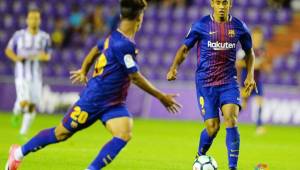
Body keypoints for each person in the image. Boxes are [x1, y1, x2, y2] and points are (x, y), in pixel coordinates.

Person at [5, 0, 181, 170]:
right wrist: (161, 96)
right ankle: (18, 153)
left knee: (124, 134)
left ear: (121, 15)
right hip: (93, 100)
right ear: (140, 18)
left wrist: (84, 69)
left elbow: (95, 50)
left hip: (113, 103)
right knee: (60, 134)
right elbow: (135, 77)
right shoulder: (124, 44)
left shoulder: (113, 36)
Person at [166, 0, 256, 169]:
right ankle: (200, 156)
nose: (222, 6)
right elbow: (184, 49)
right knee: (213, 127)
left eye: (225, 2)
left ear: (230, 4)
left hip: (229, 82)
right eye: (219, 2)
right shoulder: (201, 25)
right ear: (212, 4)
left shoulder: (239, 26)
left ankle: (232, 167)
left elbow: (249, 52)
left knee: (231, 118)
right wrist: (174, 68)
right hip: (206, 83)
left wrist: (250, 75)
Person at [5, 9, 51, 140]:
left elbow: (47, 56)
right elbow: (8, 50)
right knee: (25, 102)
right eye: (31, 18)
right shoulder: (18, 35)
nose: (34, 21)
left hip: (36, 76)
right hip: (21, 75)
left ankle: (22, 133)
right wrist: (17, 58)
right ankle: (16, 111)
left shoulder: (45, 37)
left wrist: (40, 57)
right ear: (27, 20)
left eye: (36, 18)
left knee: (32, 106)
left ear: (40, 20)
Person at [236, 26, 267, 135]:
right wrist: (252, 65)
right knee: (243, 104)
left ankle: (259, 126)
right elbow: (238, 63)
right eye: (256, 37)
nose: (258, 39)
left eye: (260, 37)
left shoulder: (262, 50)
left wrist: (262, 66)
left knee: (260, 102)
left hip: (257, 82)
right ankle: (230, 119)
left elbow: (263, 64)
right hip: (247, 81)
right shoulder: (245, 49)